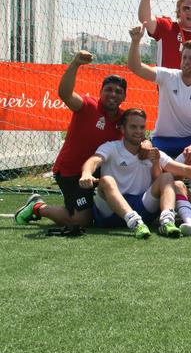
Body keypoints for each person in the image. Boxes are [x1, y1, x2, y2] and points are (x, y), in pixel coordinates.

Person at [14, 51, 127, 228]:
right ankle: (37, 207)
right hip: (71, 173)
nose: (113, 94)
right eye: (109, 90)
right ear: (101, 92)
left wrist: (146, 144)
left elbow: (138, 136)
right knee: (80, 221)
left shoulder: (124, 119)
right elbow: (65, 94)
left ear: (124, 97)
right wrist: (75, 64)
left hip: (98, 172)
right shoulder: (88, 106)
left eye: (118, 91)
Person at [78, 108, 191, 239]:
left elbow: (184, 170)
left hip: (142, 208)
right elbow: (94, 160)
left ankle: (167, 221)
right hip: (110, 213)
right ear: (122, 129)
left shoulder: (152, 152)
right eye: (133, 127)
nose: (138, 131)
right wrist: (86, 173)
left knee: (167, 177)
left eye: (142, 127)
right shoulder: (111, 147)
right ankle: (134, 222)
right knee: (107, 180)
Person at [127, 24, 191, 159]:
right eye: (184, 57)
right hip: (162, 140)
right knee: (149, 165)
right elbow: (136, 67)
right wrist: (135, 42)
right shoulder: (168, 76)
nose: (186, 62)